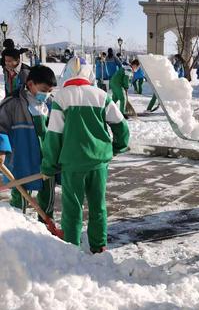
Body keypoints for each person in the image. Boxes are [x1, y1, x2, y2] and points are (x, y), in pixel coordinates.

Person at [41, 57, 130, 253]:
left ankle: (72, 247)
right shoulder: (100, 95)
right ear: (89, 74)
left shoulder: (61, 98)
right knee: (98, 206)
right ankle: (99, 246)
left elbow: (54, 135)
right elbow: (121, 126)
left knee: (72, 208)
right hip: (98, 163)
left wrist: (49, 165)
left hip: (72, 164)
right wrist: (115, 148)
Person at [0, 65, 57, 218]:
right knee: (21, 196)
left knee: (47, 195)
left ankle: (46, 228)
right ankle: (20, 228)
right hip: (22, 158)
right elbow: (1, 127)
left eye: (50, 91)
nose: (46, 94)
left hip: (46, 158)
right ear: (30, 84)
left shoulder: (51, 104)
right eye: (44, 90)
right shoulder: (13, 103)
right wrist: (1, 150)